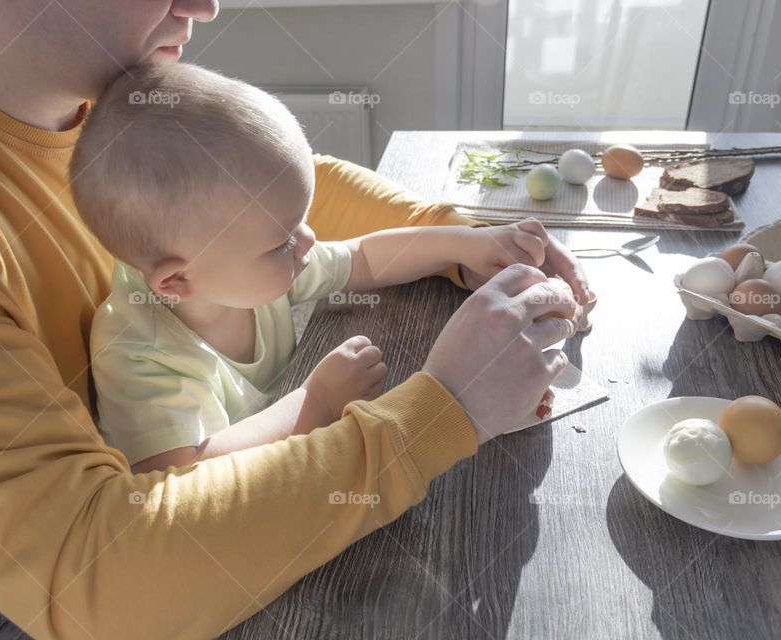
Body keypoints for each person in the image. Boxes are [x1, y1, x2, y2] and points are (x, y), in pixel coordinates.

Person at [0, 1, 588, 638]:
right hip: (6, 608)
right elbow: (99, 589)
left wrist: (464, 241)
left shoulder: (79, 84)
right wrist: (441, 412)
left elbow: (258, 186)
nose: (205, 5)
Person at [75, 62, 558, 472]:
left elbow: (362, 258)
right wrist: (316, 403)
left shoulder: (243, 269)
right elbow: (183, 476)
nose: (306, 240)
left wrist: (463, 244)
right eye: (282, 239)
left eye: (300, 222)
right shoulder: (139, 352)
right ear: (176, 280)